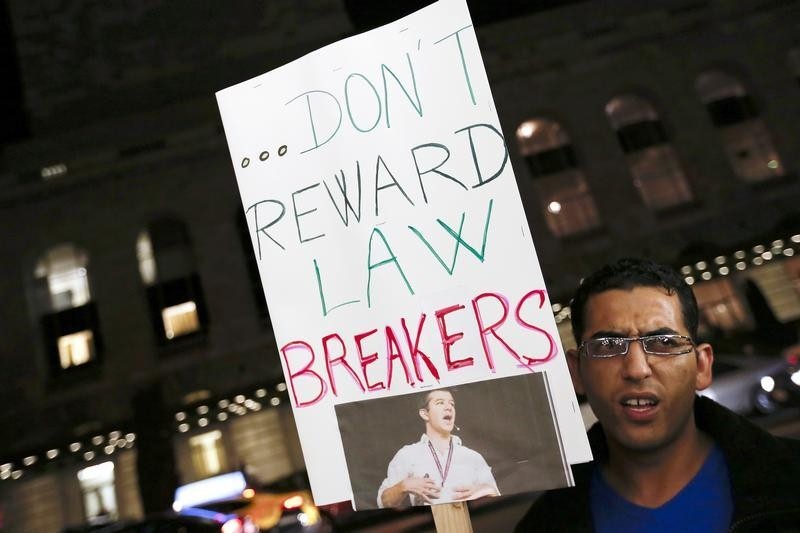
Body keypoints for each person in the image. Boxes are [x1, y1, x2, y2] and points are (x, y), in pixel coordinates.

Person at [516, 258, 800, 532]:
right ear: (577, 373)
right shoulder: (543, 525)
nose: (637, 370)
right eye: (608, 345)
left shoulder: (790, 481)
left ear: (702, 366)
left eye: (663, 342)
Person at [377, 388, 499, 508]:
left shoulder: (473, 456)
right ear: (425, 414)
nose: (448, 407)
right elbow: (383, 503)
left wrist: (486, 489)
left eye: (452, 403)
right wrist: (403, 486)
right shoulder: (408, 454)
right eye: (440, 403)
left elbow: (496, 497)